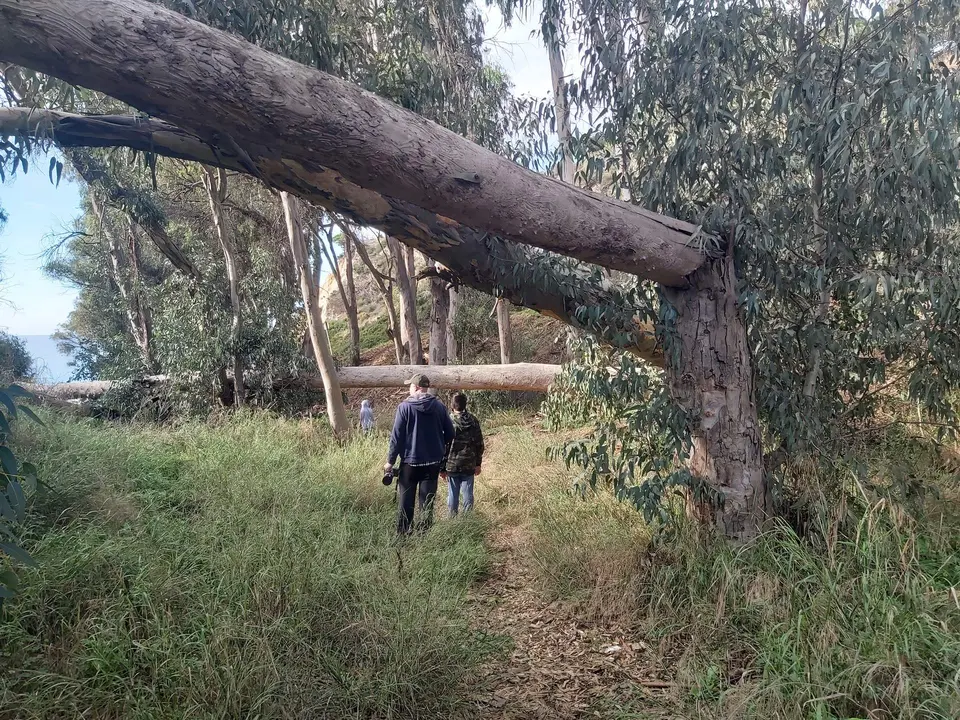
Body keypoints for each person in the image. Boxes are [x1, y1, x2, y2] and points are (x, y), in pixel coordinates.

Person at [384, 373, 454, 535]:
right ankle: (424, 535)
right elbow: (450, 433)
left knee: (406, 500)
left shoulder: (405, 407)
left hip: (410, 463)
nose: (409, 388)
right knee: (427, 501)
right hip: (432, 463)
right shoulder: (439, 407)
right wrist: (437, 443)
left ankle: (404, 533)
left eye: (410, 385)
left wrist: (390, 461)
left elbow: (397, 437)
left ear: (415, 387)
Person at [441, 392, 484, 518]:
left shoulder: (447, 421)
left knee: (453, 495)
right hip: (469, 464)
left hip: (452, 464)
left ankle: (451, 520)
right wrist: (478, 463)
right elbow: (479, 443)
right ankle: (467, 520)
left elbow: (444, 446)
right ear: (465, 404)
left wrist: (441, 467)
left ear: (452, 405)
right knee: (468, 494)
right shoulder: (473, 420)